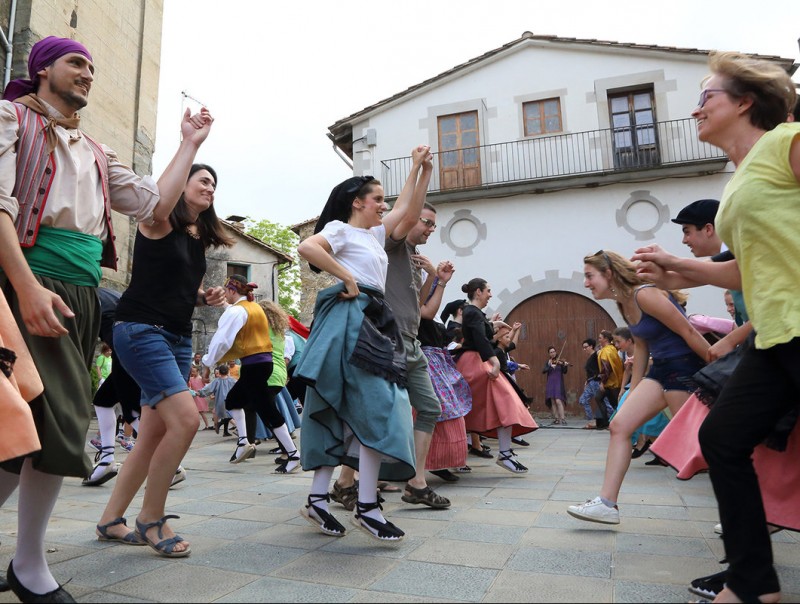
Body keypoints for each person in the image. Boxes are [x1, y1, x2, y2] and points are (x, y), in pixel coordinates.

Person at [0, 36, 215, 598]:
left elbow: (154, 204)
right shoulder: (10, 119)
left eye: (93, 67)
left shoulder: (96, 150)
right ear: (42, 67)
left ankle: (26, 565)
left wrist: (188, 144)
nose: (89, 74)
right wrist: (24, 286)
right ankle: (28, 567)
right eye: (77, 63)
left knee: (33, 426)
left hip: (80, 292)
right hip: (24, 280)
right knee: (53, 422)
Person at [632, 50, 798, 604]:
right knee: (723, 438)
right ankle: (753, 585)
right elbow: (745, 267)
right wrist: (677, 265)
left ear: (746, 102)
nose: (695, 109)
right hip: (776, 336)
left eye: (706, 97)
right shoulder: (740, 178)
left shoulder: (784, 143)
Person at [94, 162, 230, 561]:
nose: (211, 188)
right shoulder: (157, 222)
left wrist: (204, 297)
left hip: (176, 336)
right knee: (186, 420)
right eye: (204, 180)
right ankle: (151, 518)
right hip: (140, 330)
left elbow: (174, 286)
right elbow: (160, 202)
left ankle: (110, 519)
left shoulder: (196, 237)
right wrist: (192, 142)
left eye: (214, 183)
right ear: (181, 185)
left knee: (152, 433)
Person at [295, 147, 430, 541]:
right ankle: (363, 506)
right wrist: (347, 278)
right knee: (382, 405)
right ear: (358, 203)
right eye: (377, 199)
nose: (384, 205)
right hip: (352, 318)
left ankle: (323, 500)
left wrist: (421, 170)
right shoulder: (342, 230)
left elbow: (409, 208)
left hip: (373, 320)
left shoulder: (374, 234)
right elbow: (308, 248)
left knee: (362, 407)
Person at [566, 251, 709, 526]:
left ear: (608, 274)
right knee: (620, 425)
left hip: (684, 369)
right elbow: (642, 344)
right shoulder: (624, 302)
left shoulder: (644, 294)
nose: (586, 283)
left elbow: (688, 332)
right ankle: (607, 504)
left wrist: (715, 362)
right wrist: (634, 389)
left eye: (589, 276)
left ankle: (757, 504)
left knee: (702, 442)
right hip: (661, 371)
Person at [202, 277, 300, 472]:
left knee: (267, 410)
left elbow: (222, 340)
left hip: (255, 365)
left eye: (226, 291)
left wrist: (208, 362)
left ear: (231, 291)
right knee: (234, 401)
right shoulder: (253, 307)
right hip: (259, 364)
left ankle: (292, 454)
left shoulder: (239, 310)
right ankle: (244, 442)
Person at [455, 278, 537, 473]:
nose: (490, 294)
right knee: (504, 401)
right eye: (488, 290)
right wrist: (494, 360)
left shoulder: (473, 313)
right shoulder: (472, 312)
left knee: (490, 406)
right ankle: (503, 454)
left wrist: (493, 324)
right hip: (474, 362)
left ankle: (503, 453)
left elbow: (481, 335)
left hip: (473, 361)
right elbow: (480, 339)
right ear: (478, 292)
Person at [592, 330, 624, 430]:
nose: (599, 339)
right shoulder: (612, 349)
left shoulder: (606, 351)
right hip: (614, 381)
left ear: (605, 339)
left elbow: (606, 368)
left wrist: (602, 382)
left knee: (616, 404)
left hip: (611, 383)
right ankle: (605, 422)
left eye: (600, 337)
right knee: (599, 397)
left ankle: (615, 423)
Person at [542, 345, 569, 425]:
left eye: (554, 352)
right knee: (552, 400)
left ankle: (563, 419)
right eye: (551, 352)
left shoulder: (560, 361)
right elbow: (544, 371)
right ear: (549, 354)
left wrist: (565, 365)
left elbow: (564, 371)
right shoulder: (548, 362)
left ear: (556, 352)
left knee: (558, 400)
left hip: (558, 382)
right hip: (550, 382)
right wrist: (549, 365)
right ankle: (556, 419)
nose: (553, 353)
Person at [188, 366, 210, 430]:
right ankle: (195, 426)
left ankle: (207, 425)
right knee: (194, 412)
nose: (192, 373)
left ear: (198, 372)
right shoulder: (191, 379)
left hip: (200, 397)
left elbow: (206, 386)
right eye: (192, 372)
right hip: (194, 397)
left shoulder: (201, 379)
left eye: (194, 372)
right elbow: (190, 387)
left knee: (201, 412)